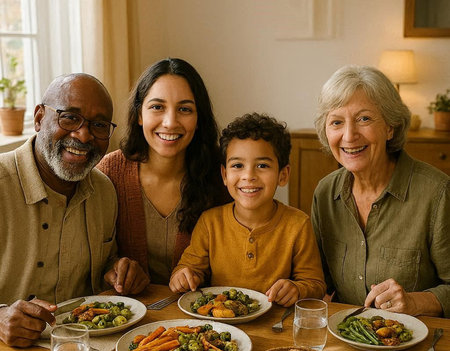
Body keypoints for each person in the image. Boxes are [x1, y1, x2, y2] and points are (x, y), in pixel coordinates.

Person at [0, 73, 149, 347]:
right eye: (69, 117)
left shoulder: (105, 190)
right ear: (38, 118)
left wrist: (116, 269)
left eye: (99, 125)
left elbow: (105, 263)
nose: (83, 134)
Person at [311, 65, 450, 317]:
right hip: (347, 337)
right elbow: (319, 280)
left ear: (390, 127)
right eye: (336, 122)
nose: (349, 135)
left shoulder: (437, 193)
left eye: (364, 119)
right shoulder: (325, 193)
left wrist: (416, 302)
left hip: (418, 348)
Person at [169, 112, 326, 307]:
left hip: (276, 326)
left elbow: (316, 284)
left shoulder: (298, 224)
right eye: (237, 165)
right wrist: (182, 276)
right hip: (219, 326)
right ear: (224, 175)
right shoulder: (210, 222)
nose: (248, 175)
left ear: (283, 175)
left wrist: (298, 289)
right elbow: (188, 268)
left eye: (262, 165)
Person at [97, 58, 229, 285]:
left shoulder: (223, 176)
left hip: (204, 313)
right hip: (133, 315)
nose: (169, 122)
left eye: (185, 109)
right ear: (139, 115)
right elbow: (93, 256)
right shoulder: (109, 173)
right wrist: (114, 269)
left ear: (198, 119)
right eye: (157, 107)